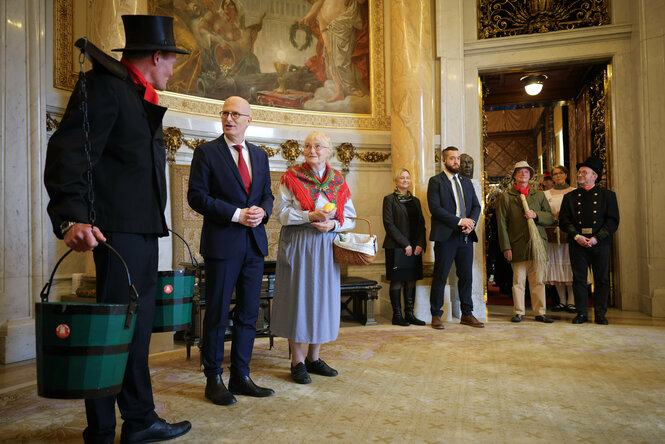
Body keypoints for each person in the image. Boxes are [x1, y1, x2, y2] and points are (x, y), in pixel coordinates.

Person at [43, 15, 191, 444]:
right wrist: (72, 217)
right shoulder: (105, 86)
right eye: (171, 61)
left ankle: (140, 419)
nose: (172, 70)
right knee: (112, 332)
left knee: (135, 329)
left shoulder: (136, 93)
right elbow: (70, 152)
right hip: (117, 232)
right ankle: (102, 431)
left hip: (141, 229)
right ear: (157, 56)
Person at [187, 96, 275, 405]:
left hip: (253, 244)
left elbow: (267, 195)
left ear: (249, 119)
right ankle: (213, 377)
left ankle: (241, 375)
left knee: (250, 313)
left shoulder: (261, 155)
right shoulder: (207, 152)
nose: (229, 118)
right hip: (222, 244)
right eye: (225, 113)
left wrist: (263, 212)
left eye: (236, 114)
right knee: (217, 313)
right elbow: (196, 197)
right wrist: (237, 214)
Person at [271, 131, 357, 384]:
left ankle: (313, 357)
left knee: (322, 300)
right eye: (307, 146)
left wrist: (332, 226)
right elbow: (281, 214)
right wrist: (311, 216)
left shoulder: (338, 181)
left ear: (329, 151)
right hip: (299, 243)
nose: (312, 150)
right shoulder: (292, 177)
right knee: (298, 299)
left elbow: (349, 217)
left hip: (326, 246)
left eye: (318, 146)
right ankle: (296, 361)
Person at [427, 146, 484, 329]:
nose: (457, 162)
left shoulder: (466, 182)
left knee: (466, 276)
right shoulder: (436, 181)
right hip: (446, 236)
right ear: (444, 160)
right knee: (440, 275)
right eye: (452, 158)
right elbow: (435, 209)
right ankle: (436, 315)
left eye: (458, 158)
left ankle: (467, 314)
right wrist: (460, 221)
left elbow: (476, 206)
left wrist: (471, 223)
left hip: (465, 236)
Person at [559, 156, 619, 325]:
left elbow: (613, 221)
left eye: (584, 172)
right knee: (579, 279)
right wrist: (576, 236)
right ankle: (581, 313)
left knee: (602, 279)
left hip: (600, 243)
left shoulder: (608, 196)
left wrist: (596, 238)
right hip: (577, 243)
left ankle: (600, 313)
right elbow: (564, 221)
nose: (580, 175)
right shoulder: (570, 197)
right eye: (579, 172)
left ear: (595, 176)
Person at [497, 161, 555, 323]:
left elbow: (550, 217)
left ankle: (540, 312)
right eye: (520, 172)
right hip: (517, 245)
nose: (523, 174)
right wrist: (506, 247)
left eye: (526, 172)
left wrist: (536, 215)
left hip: (538, 244)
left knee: (538, 280)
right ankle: (519, 312)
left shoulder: (539, 195)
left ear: (530, 176)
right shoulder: (506, 197)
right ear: (515, 175)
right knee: (518, 281)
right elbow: (501, 224)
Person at [382, 168, 427, 326]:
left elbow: (422, 224)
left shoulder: (415, 201)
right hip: (396, 246)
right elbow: (389, 224)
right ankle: (397, 315)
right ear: (396, 180)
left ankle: (410, 314)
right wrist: (405, 244)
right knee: (396, 280)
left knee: (411, 280)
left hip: (415, 247)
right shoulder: (389, 200)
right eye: (402, 178)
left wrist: (420, 243)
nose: (405, 180)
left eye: (408, 178)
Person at [544, 165, 577, 313]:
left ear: (566, 174)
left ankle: (572, 301)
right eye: (555, 174)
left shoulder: (574, 192)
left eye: (560, 173)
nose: (558, 176)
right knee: (556, 266)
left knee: (570, 266)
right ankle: (561, 301)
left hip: (569, 234)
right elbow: (543, 212)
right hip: (552, 235)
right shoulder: (546, 194)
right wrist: (552, 216)